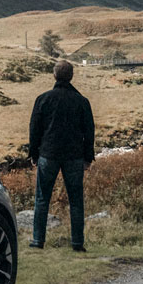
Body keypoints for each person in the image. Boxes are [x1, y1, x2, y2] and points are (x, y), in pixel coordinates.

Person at [27, 58, 95, 251]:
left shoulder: (43, 99)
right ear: (71, 76)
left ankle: (38, 241)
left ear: (54, 75)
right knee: (76, 200)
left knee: (42, 198)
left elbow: (34, 129)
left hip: (48, 154)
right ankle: (77, 243)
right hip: (74, 156)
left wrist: (33, 153)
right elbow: (89, 130)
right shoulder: (82, 101)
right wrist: (88, 157)